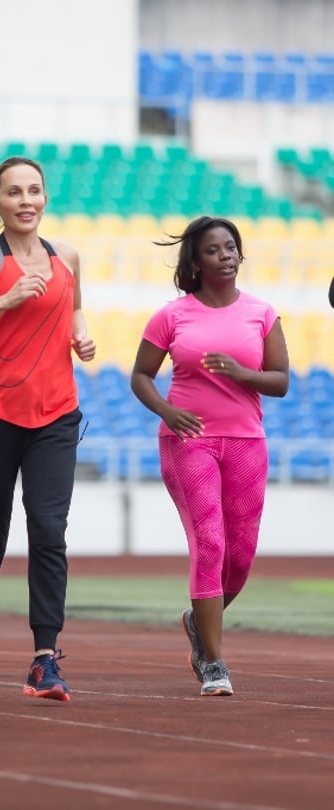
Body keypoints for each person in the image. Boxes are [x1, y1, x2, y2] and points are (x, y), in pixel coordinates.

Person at [0, 156, 96, 703]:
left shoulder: (67, 257)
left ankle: (44, 659)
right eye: (14, 192)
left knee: (49, 530)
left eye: (34, 190)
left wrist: (82, 337)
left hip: (55, 413)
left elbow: (73, 309)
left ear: (45, 198)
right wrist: (4, 300)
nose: (26, 200)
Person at [130, 216, 289, 697]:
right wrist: (167, 411)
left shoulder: (261, 313)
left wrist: (243, 372)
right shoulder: (172, 316)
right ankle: (214, 663)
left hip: (246, 442)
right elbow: (140, 376)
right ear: (195, 263)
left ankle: (197, 622)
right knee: (211, 542)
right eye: (214, 250)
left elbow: (280, 381)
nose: (226, 255)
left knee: (240, 556)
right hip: (189, 440)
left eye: (231, 247)